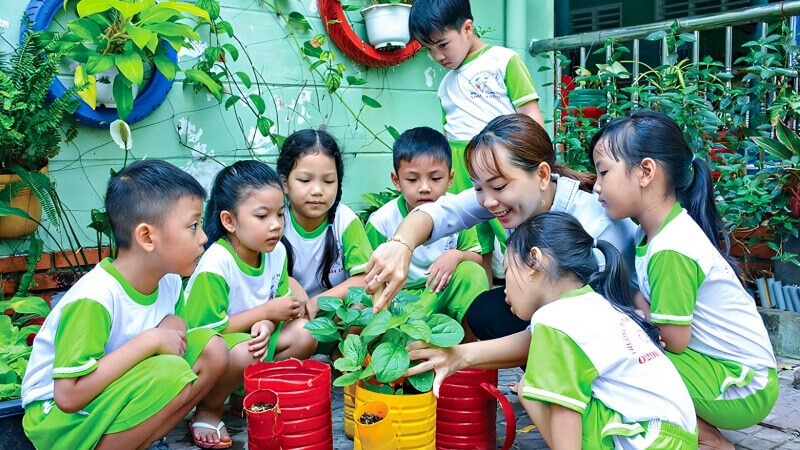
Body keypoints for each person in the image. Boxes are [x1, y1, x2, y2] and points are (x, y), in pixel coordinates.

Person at [407, 213, 698, 448]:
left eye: (507, 269)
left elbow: (565, 411)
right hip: (673, 435)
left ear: (534, 261)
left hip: (649, 441)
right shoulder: (588, 303)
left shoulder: (555, 317)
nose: (504, 286)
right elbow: (528, 341)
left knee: (533, 391)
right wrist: (457, 355)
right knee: (533, 387)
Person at [590, 110, 778, 449]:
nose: (598, 185)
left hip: (744, 387)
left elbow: (673, 340)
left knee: (623, 356)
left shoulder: (671, 248)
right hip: (727, 374)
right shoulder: (651, 233)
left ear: (646, 171)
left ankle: (711, 442)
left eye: (603, 172)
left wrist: (630, 296)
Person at [365, 114, 637, 344]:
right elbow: (442, 212)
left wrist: (460, 357)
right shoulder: (516, 197)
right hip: (554, 315)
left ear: (542, 175)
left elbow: (568, 330)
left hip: (603, 332)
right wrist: (401, 244)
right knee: (486, 311)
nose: (487, 201)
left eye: (497, 186)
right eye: (478, 188)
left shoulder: (594, 225)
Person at [20, 160, 228, 449]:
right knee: (169, 371)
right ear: (146, 236)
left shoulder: (167, 279)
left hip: (108, 397)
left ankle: (140, 443)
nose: (204, 237)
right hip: (57, 421)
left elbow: (177, 323)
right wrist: (151, 340)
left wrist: (171, 326)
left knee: (213, 350)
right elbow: (67, 397)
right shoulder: (95, 299)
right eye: (193, 226)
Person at [180, 160, 317, 448]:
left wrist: (269, 322)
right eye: (262, 215)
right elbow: (204, 329)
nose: (276, 225)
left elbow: (277, 303)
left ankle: (245, 395)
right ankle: (208, 408)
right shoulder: (217, 263)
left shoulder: (276, 252)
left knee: (307, 332)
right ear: (229, 221)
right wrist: (266, 313)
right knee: (246, 353)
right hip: (210, 351)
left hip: (250, 341)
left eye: (280, 214)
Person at [409, 0, 546, 276]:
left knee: (519, 236)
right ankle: (482, 299)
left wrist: (537, 162)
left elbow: (529, 114)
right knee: (478, 243)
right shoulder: (445, 85)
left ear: (467, 28)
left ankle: (530, 294)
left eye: (442, 44)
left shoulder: (503, 60)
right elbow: (449, 133)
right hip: (463, 172)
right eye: (429, 50)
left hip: (500, 167)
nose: (437, 56)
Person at [365, 126, 487, 324]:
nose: (424, 188)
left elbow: (476, 257)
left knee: (472, 272)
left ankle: (473, 344)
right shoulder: (382, 221)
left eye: (436, 178)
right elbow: (368, 276)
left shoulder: (457, 211)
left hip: (443, 290)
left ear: (450, 179)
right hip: (402, 299)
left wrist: (456, 255)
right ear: (396, 180)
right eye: (412, 179)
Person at [278, 129, 373, 318]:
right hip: (292, 318)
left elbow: (365, 278)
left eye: (328, 181)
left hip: (335, 316)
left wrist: (317, 303)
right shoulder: (277, 221)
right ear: (284, 183)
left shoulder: (344, 220)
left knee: (363, 306)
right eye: (305, 180)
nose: (317, 191)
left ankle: (342, 349)